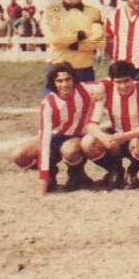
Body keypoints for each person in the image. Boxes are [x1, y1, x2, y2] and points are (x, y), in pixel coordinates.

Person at [13, 64, 95, 194]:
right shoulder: (49, 103)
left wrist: (101, 90)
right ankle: (51, 172)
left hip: (77, 137)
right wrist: (43, 177)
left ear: (74, 79)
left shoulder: (85, 90)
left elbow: (109, 83)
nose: (64, 84)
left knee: (69, 149)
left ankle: (76, 174)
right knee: (19, 155)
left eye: (67, 79)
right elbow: (45, 139)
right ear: (53, 83)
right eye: (59, 81)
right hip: (56, 137)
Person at [81, 60, 139, 187]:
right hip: (116, 137)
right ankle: (115, 170)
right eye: (118, 82)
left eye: (126, 81)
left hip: (137, 136)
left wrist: (124, 136)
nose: (123, 86)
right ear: (112, 81)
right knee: (87, 143)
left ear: (133, 78)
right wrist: (105, 138)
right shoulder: (104, 90)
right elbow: (90, 124)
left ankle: (132, 170)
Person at [42, 0, 106, 91]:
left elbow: (99, 41)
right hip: (59, 72)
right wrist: (81, 35)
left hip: (85, 72)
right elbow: (54, 39)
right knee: (55, 103)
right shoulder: (51, 12)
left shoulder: (94, 12)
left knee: (86, 104)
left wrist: (74, 45)